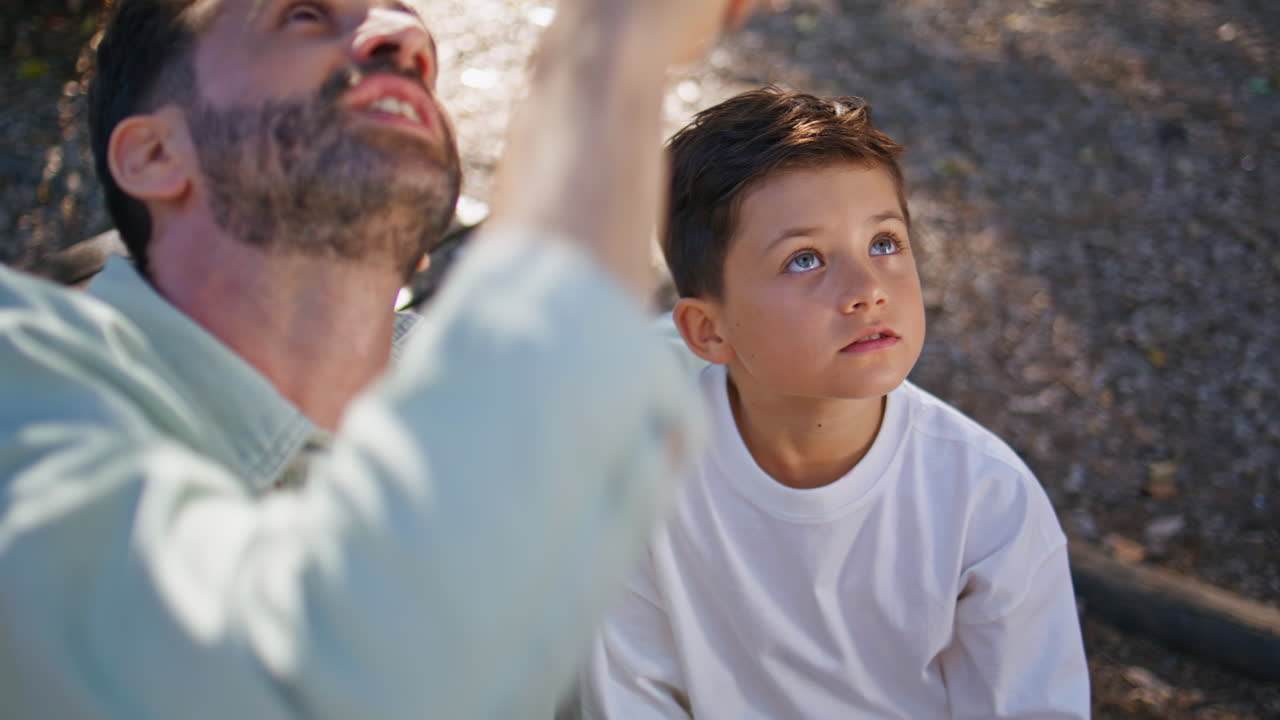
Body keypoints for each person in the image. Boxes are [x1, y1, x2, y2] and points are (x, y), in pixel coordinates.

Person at [0, 1, 780, 717]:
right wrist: (599, 59)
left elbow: (763, 369)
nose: (404, 41)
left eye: (418, 44)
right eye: (301, 15)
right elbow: (324, 676)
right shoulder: (20, 382)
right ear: (154, 153)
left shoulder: (481, 384)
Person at [575, 87, 1090, 718]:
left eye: (884, 243)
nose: (867, 290)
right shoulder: (637, 478)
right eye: (805, 259)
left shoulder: (987, 500)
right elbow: (631, 693)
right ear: (709, 330)